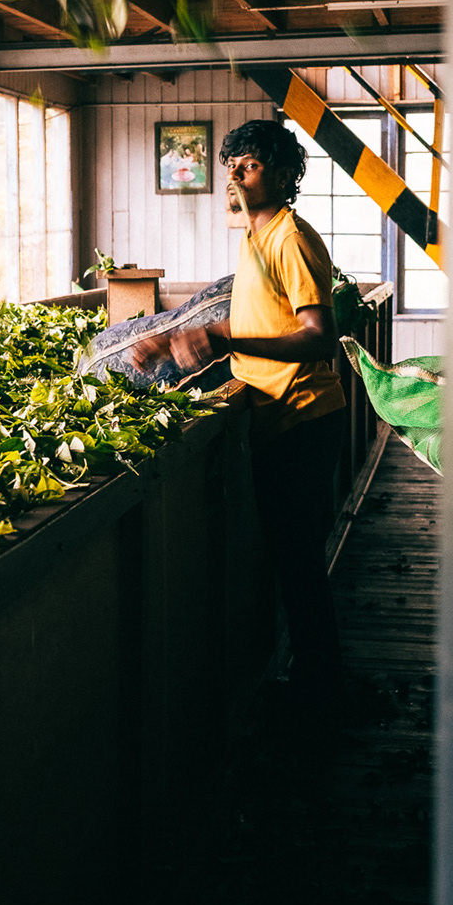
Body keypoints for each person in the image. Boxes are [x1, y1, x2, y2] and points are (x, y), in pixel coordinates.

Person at [133, 117, 347, 715]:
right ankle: (314, 686)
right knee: (292, 561)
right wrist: (180, 338)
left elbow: (319, 336)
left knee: (299, 566)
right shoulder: (256, 238)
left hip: (304, 420)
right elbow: (256, 320)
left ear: (282, 175)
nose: (236, 176)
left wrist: (226, 341)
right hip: (280, 420)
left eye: (250, 166)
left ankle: (320, 699)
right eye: (232, 166)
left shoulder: (290, 238)